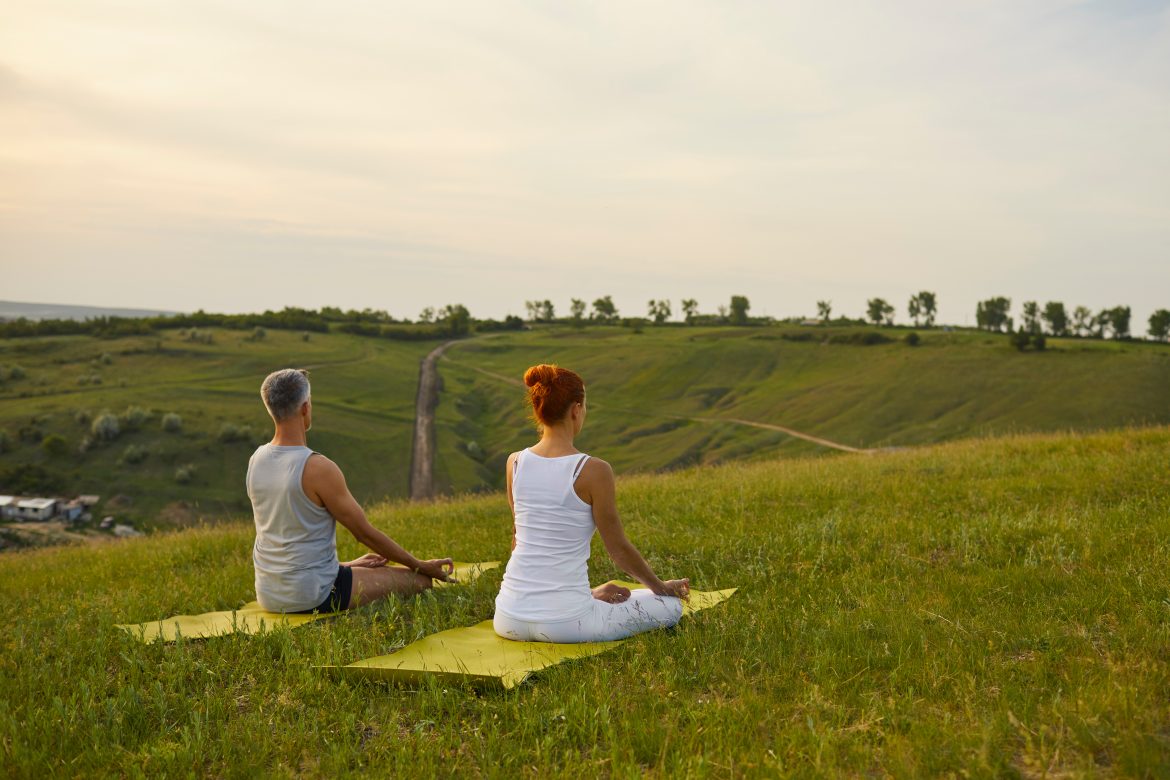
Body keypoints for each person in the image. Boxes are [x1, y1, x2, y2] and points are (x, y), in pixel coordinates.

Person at [493, 363, 690, 643]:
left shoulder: (515, 462)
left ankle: (585, 596)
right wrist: (660, 588)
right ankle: (590, 600)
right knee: (670, 607)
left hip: (508, 618)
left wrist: (588, 594)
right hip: (567, 624)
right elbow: (618, 549)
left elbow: (520, 540)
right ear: (576, 409)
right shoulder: (593, 470)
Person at [248, 368, 454, 614]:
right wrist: (420, 566)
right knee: (421, 582)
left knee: (370, 568)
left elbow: (286, 540)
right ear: (305, 407)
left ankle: (340, 572)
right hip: (314, 595)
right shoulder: (317, 468)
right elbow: (363, 533)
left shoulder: (256, 460)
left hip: (268, 593)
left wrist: (345, 567)